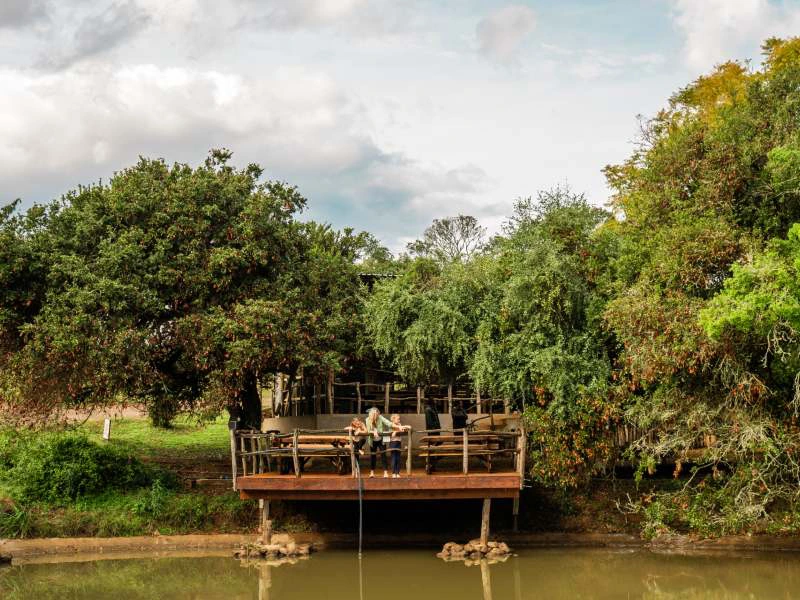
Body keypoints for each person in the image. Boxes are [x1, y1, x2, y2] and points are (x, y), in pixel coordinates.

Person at [365, 407, 393, 478]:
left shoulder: (380, 417)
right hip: (372, 441)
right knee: (373, 456)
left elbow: (388, 423)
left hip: (381, 440)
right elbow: (368, 430)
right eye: (373, 414)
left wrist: (397, 427)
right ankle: (372, 472)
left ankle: (385, 472)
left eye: (376, 414)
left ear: (378, 414)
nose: (375, 415)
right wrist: (374, 432)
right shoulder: (367, 420)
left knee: (383, 455)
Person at [389, 414, 411, 478]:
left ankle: (397, 472)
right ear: (393, 419)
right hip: (393, 442)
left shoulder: (399, 424)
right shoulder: (391, 425)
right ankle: (393, 473)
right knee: (394, 457)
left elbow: (402, 430)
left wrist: (397, 431)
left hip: (398, 442)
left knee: (398, 458)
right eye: (398, 419)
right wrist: (396, 431)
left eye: (399, 419)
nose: (399, 420)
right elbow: (392, 435)